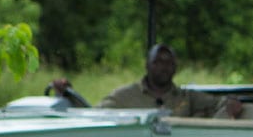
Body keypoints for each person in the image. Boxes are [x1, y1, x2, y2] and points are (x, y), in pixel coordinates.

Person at [94, 44, 244, 118]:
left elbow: (221, 103)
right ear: (147, 65)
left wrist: (230, 107)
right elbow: (95, 114)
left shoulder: (187, 97)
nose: (164, 67)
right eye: (158, 62)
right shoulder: (125, 96)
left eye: (169, 63)